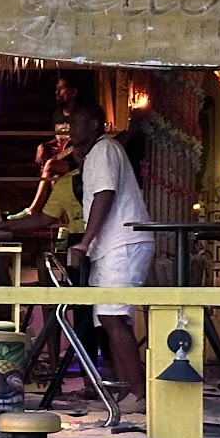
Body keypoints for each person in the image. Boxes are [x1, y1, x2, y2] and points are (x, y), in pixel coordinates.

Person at [65, 102, 154, 403]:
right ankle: (129, 388)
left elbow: (105, 196)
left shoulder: (104, 149)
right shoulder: (96, 154)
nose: (70, 130)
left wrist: (84, 242)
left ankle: (138, 392)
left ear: (93, 124)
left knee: (114, 318)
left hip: (121, 241)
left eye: (75, 124)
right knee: (108, 318)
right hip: (110, 245)